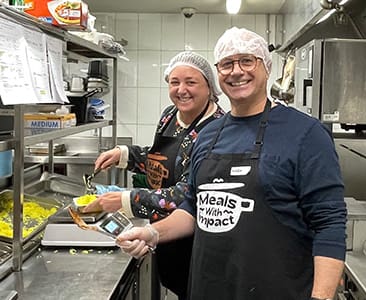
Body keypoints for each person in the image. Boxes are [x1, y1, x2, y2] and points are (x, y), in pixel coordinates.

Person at [116, 27, 347, 300]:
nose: (237, 71)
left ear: (266, 67)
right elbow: (193, 204)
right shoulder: (208, 135)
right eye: (227, 64)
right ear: (218, 73)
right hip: (207, 288)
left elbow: (329, 224)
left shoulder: (306, 134)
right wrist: (152, 233)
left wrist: (321, 297)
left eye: (247, 60)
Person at [85, 51, 225, 300]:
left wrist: (126, 200)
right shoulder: (170, 115)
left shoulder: (218, 129)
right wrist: (125, 154)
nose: (182, 90)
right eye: (174, 82)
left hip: (197, 239)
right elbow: (161, 160)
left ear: (209, 88)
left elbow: (188, 193)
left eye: (191, 82)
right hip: (163, 233)